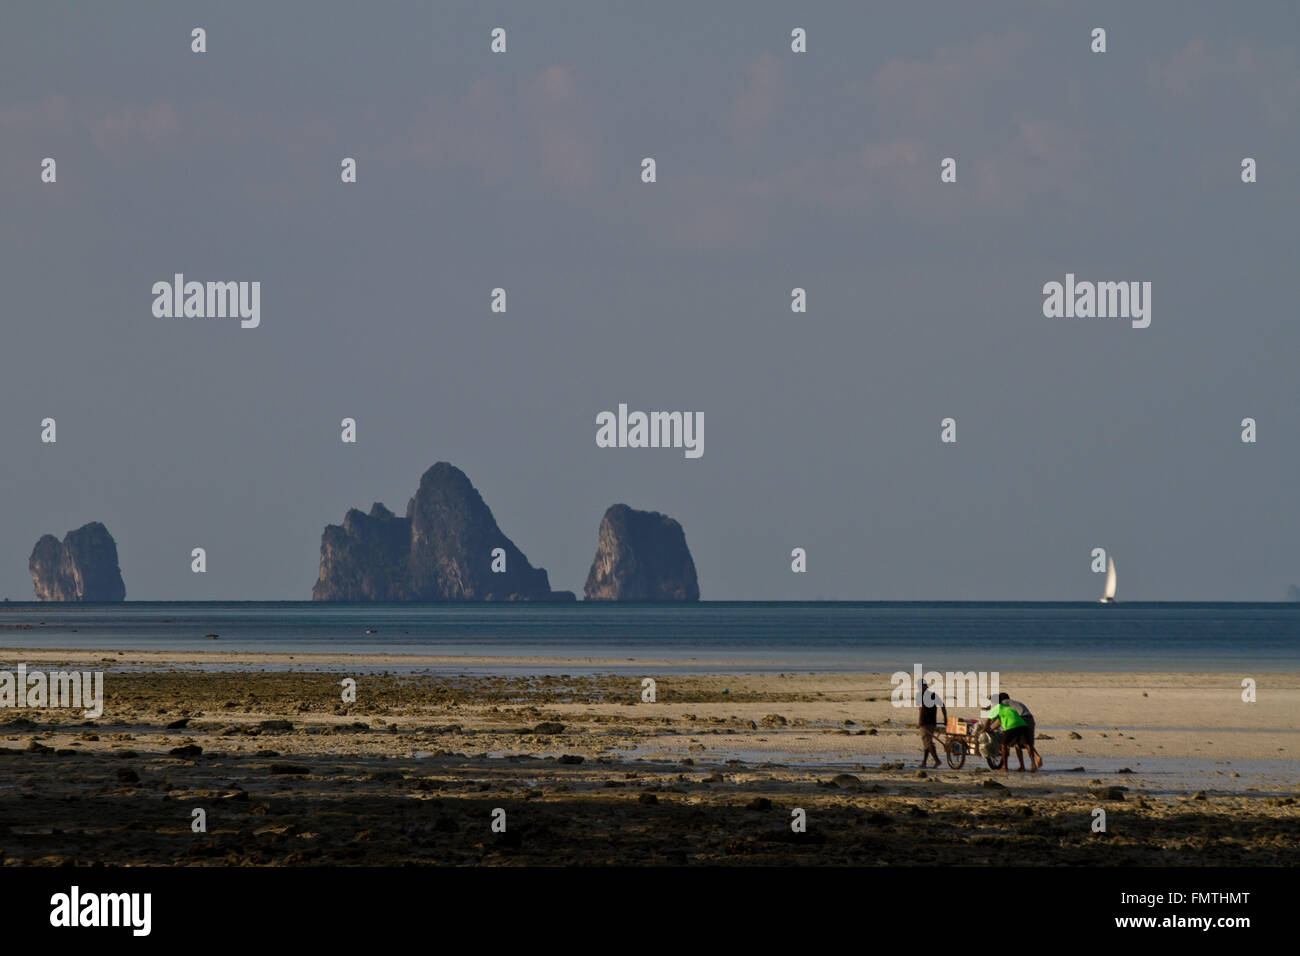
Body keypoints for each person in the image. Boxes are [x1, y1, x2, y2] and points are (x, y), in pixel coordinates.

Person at [979, 695, 1032, 772]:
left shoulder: (997, 707)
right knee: (1018, 745)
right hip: (1021, 723)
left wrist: (983, 730)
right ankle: (1023, 766)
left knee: (1004, 745)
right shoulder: (1006, 706)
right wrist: (992, 729)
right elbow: (1000, 720)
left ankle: (1005, 767)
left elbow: (989, 721)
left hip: (1013, 725)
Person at [1000, 692, 1043, 769]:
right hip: (1030, 719)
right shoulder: (1016, 702)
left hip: (1021, 719)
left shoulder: (1004, 703)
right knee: (1023, 742)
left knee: (1020, 743)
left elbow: (1002, 717)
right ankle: (1027, 763)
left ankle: (1033, 759)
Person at [917, 679, 948, 768]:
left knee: (927, 742)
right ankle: (924, 762)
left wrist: (920, 721)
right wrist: (945, 718)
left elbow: (921, 708)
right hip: (932, 722)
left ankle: (937, 761)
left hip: (925, 722)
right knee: (927, 742)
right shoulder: (934, 695)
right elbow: (942, 706)